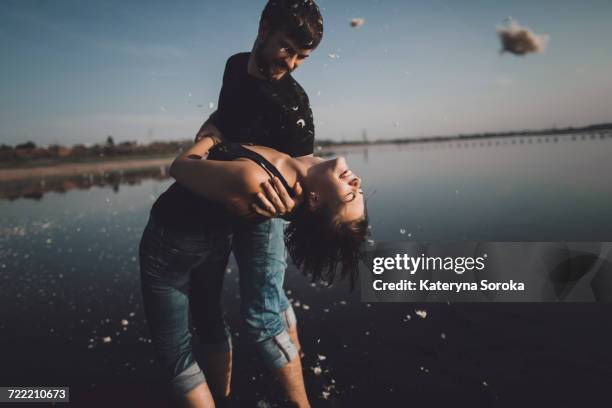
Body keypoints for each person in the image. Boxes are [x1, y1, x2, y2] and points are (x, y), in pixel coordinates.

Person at [140, 1, 330, 406]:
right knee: (258, 307)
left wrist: (287, 208)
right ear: (264, 28)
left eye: (303, 56)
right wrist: (214, 128)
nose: (293, 63)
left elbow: (303, 177)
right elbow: (230, 114)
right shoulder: (234, 65)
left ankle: (297, 394)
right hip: (223, 208)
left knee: (266, 309)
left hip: (263, 212)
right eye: (287, 49)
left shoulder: (293, 107)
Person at [140, 134, 368, 407]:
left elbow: (178, 167)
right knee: (208, 319)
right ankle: (223, 398)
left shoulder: (260, 180)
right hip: (212, 242)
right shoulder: (283, 184)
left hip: (172, 241)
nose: (357, 182)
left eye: (350, 195)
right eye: (359, 193)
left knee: (175, 354)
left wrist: (212, 136)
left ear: (315, 201)